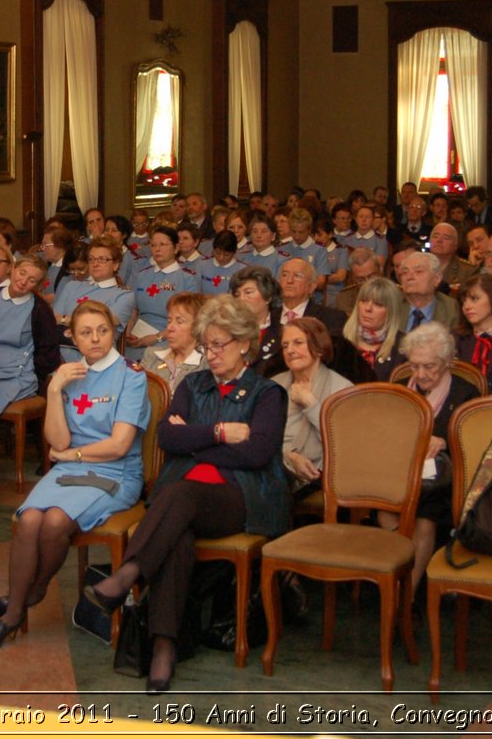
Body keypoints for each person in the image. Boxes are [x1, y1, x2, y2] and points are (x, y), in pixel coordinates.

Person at [82, 296, 288, 694]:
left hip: (239, 496)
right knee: (178, 532)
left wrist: (193, 441)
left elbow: (257, 452)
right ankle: (164, 646)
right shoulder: (194, 384)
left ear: (244, 344)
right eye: (206, 345)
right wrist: (218, 433)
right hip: (186, 496)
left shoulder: (266, 393)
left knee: (183, 495)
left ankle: (126, 575)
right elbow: (167, 437)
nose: (210, 354)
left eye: (219, 345)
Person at [0, 301, 150, 651]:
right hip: (71, 467)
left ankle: (20, 604)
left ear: (114, 330)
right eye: (86, 333)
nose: (96, 339)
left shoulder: (132, 375)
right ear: (72, 336)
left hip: (114, 471)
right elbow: (57, 441)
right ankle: (25, 597)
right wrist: (54, 389)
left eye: (103, 330)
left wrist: (73, 454)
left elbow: (119, 445)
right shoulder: (68, 374)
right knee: (28, 521)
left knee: (55, 521)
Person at [394, 321, 480, 597]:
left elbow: (473, 445)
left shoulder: (466, 393)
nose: (420, 373)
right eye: (414, 365)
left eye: (429, 366)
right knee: (388, 508)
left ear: (446, 362)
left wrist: (445, 440)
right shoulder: (398, 388)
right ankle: (397, 579)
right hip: (397, 476)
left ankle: (406, 596)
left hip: (440, 484)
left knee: (424, 518)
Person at [0, 254, 62, 489]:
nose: (24, 281)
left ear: (38, 285)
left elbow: (49, 355)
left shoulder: (40, 310)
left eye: (32, 280)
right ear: (12, 270)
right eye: (22, 273)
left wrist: (30, 370)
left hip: (18, 375)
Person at [274, 318, 351, 494]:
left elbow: (342, 445)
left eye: (298, 343)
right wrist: (289, 457)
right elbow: (262, 436)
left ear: (318, 346)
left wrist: (311, 405)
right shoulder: (273, 386)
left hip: (319, 474)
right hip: (277, 464)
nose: (290, 350)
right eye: (285, 346)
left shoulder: (343, 389)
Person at [128, 226, 202, 359]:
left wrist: (156, 337)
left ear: (176, 248)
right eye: (153, 245)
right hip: (138, 338)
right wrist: (128, 333)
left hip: (169, 339)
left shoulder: (187, 278)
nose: (157, 249)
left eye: (162, 244)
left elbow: (191, 320)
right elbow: (133, 309)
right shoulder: (142, 275)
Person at [343, 277, 410, 381]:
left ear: (391, 311)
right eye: (364, 301)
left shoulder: (404, 347)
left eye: (378, 304)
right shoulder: (339, 341)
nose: (368, 308)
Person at [142, 291, 206, 397]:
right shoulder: (151, 356)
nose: (169, 328)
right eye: (169, 321)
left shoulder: (206, 365)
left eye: (179, 322)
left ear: (198, 327)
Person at [396, 250, 459, 331]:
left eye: (418, 271)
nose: (409, 277)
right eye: (405, 272)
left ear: (437, 278)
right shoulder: (392, 306)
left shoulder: (452, 310)